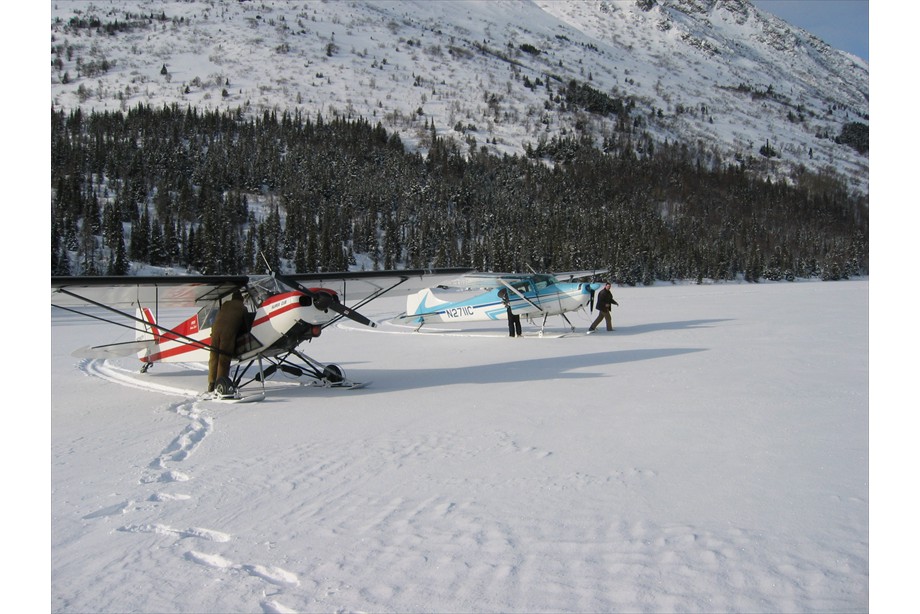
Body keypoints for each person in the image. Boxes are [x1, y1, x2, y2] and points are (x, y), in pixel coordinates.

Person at [208, 290, 246, 392]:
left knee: (214, 357)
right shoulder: (242, 307)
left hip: (215, 332)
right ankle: (220, 384)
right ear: (241, 299)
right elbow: (245, 324)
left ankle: (211, 383)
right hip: (228, 334)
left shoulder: (225, 304)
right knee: (224, 359)